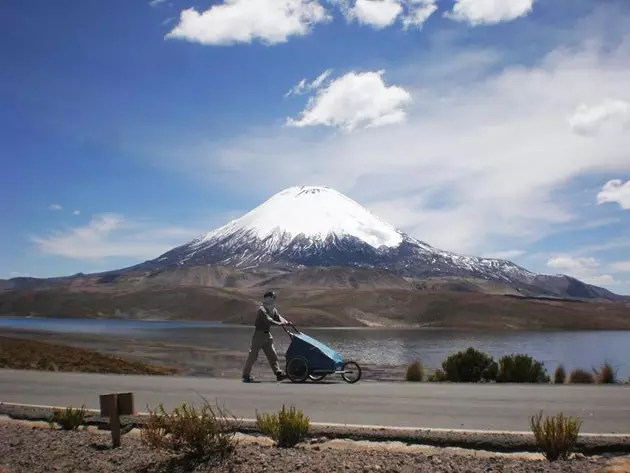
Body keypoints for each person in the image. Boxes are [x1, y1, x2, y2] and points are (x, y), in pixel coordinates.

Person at [242, 291, 292, 383]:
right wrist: (280, 324)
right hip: (259, 334)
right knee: (253, 355)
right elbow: (269, 320)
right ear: (267, 298)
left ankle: (278, 373)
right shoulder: (262, 310)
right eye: (272, 297)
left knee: (272, 354)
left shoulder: (273, 309)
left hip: (267, 334)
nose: (274, 298)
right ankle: (246, 375)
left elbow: (278, 317)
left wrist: (286, 322)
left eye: (274, 297)